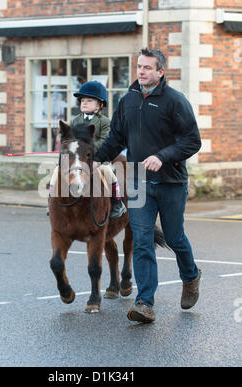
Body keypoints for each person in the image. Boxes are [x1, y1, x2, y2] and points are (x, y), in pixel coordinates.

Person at [94, 48, 202, 323]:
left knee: (175, 237)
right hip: (138, 181)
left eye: (147, 68)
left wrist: (162, 157)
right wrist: (96, 160)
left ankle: (190, 276)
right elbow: (116, 138)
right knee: (142, 240)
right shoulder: (128, 100)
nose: (140, 72)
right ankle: (145, 303)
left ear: (160, 72)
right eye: (139, 67)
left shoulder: (175, 101)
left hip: (171, 182)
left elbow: (192, 141)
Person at [49, 80, 126, 218]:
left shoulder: (105, 122)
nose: (84, 103)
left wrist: (88, 149)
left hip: (97, 158)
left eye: (89, 100)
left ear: (100, 105)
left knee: (107, 171)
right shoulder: (74, 121)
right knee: (56, 171)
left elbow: (105, 140)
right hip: (76, 159)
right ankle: (51, 200)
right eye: (82, 100)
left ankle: (117, 202)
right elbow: (69, 140)